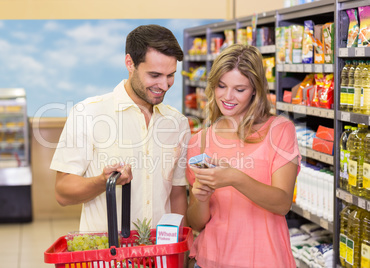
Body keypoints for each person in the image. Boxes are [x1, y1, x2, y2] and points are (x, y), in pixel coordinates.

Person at [50, 24, 191, 232]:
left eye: (170, 75)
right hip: (106, 257)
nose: (164, 85)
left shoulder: (177, 123)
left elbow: (177, 195)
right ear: (130, 63)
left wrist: (184, 250)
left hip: (161, 255)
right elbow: (62, 193)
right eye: (154, 75)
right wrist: (103, 181)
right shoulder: (88, 113)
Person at [186, 44, 301, 268]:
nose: (228, 97)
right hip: (210, 260)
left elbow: (282, 203)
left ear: (255, 91)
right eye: (221, 86)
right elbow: (197, 223)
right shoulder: (199, 141)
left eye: (239, 89)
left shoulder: (279, 130)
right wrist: (201, 198)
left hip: (265, 260)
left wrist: (235, 178)